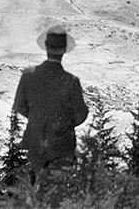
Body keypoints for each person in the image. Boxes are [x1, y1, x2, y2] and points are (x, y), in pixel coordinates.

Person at [13, 25, 88, 185]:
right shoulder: (71, 81)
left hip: (33, 144)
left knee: (32, 193)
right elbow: (81, 114)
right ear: (64, 50)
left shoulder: (28, 76)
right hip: (62, 146)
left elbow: (20, 106)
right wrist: (61, 121)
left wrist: (38, 117)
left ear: (46, 47)